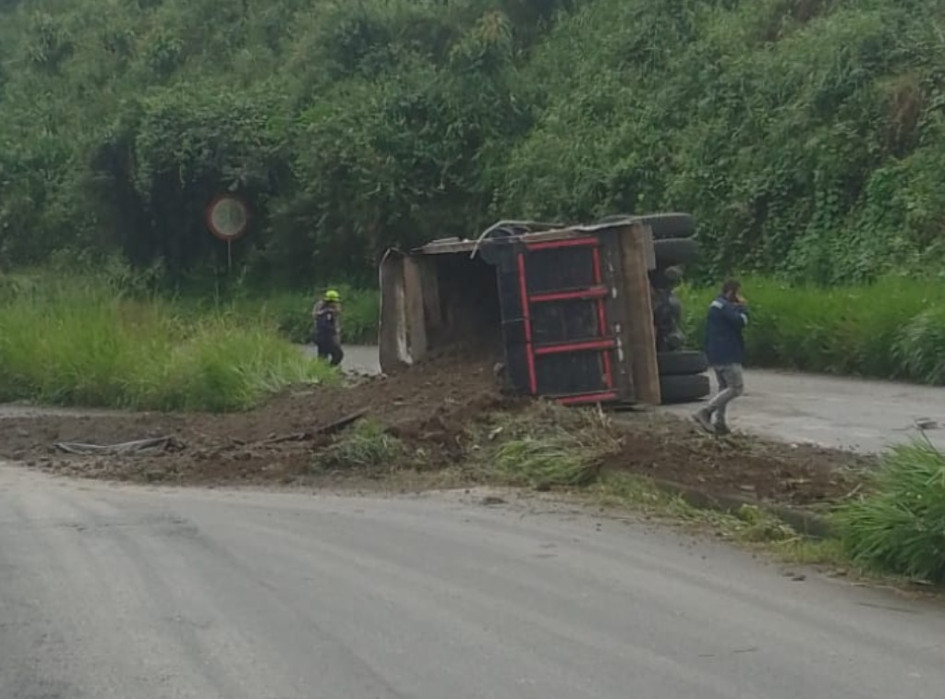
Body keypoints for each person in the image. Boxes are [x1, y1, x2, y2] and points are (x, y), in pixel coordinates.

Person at [693, 280, 749, 435]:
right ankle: (706, 412)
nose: (738, 296)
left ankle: (720, 422)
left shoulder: (715, 305)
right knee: (736, 388)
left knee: (724, 388)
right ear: (731, 292)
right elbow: (741, 322)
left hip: (716, 353)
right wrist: (743, 309)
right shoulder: (725, 307)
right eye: (737, 293)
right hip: (728, 353)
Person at [312, 289, 344, 367]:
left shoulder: (321, 309)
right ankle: (329, 369)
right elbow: (325, 325)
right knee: (338, 354)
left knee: (323, 356)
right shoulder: (327, 312)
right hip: (326, 336)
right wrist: (333, 333)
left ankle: (322, 370)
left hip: (319, 335)